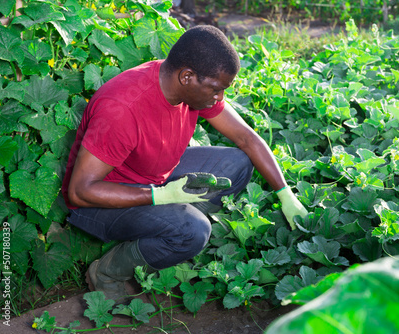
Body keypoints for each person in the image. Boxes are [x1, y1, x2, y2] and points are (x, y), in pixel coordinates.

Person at [62, 25, 308, 304]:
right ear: (187, 77)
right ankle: (108, 272)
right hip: (99, 200)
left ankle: (166, 235)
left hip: (153, 175)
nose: (219, 98)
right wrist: (161, 196)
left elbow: (245, 138)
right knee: (193, 231)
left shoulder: (186, 86)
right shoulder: (123, 108)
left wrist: (285, 194)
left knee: (238, 164)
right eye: (216, 89)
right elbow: (80, 192)